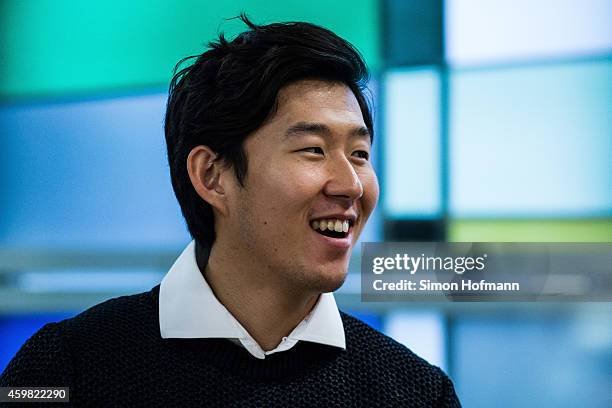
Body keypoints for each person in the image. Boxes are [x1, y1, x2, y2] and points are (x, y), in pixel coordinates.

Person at [1, 15, 461, 407]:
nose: (350, 185)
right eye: (313, 149)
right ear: (212, 176)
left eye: (360, 154)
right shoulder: (64, 370)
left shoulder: (416, 393)